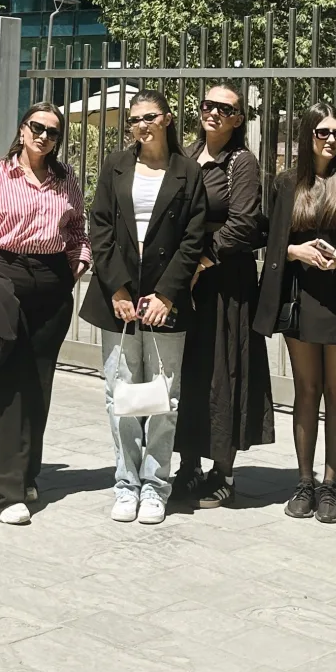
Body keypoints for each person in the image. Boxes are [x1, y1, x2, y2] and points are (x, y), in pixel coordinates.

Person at [82, 90, 210, 524]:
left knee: (163, 397)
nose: (142, 125)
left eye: (150, 117)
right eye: (135, 119)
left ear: (167, 119)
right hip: (117, 300)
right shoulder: (116, 165)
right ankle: (125, 484)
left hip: (164, 301)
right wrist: (117, 289)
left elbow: (194, 238)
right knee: (118, 394)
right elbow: (100, 226)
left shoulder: (187, 172)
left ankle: (155, 486)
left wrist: (167, 294)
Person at [254, 103, 336, 526]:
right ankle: (304, 482)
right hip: (303, 298)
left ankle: (331, 485)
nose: (331, 139)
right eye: (322, 132)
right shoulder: (288, 182)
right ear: (307, 135)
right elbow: (274, 237)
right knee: (307, 390)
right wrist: (296, 251)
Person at [0, 102, 89, 526]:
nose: (44, 137)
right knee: (5, 382)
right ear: (21, 129)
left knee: (37, 384)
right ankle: (2, 495)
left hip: (52, 282)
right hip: (6, 277)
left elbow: (78, 230)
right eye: (37, 127)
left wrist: (77, 264)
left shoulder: (65, 179)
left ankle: (27, 474)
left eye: (53, 132)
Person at [172, 83, 274, 511]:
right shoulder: (187, 155)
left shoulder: (242, 162)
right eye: (208, 105)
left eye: (225, 108)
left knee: (224, 371)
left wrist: (201, 261)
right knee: (189, 371)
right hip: (186, 279)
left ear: (238, 119)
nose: (214, 112)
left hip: (226, 280)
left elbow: (244, 223)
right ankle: (188, 465)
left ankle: (223, 473)